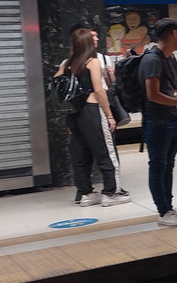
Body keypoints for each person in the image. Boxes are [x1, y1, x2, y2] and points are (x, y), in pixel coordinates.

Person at [55, 28, 130, 207]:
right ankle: (111, 192)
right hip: (91, 110)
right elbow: (99, 90)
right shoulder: (92, 61)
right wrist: (110, 116)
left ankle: (86, 194)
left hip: (73, 113)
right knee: (105, 151)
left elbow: (56, 85)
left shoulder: (66, 63)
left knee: (80, 154)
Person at [141, 19, 177, 227]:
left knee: (168, 166)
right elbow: (153, 95)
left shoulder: (170, 58)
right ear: (174, 33)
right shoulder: (152, 60)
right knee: (158, 166)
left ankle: (169, 208)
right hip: (156, 121)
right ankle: (163, 212)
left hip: (171, 119)